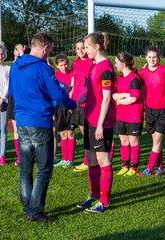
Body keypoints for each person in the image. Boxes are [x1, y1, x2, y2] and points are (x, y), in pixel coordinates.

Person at [9, 32, 76, 222]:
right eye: (50, 50)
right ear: (45, 48)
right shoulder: (43, 68)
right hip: (39, 120)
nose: (50, 54)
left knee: (26, 167)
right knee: (45, 169)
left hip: (22, 121)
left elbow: (13, 92)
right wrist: (72, 104)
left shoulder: (15, 66)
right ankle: (35, 210)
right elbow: (57, 95)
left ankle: (28, 206)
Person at [76, 32, 115, 213]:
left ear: (97, 47)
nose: (85, 51)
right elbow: (89, 92)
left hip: (102, 121)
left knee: (103, 160)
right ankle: (94, 195)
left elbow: (106, 98)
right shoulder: (94, 66)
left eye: (87, 47)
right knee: (91, 160)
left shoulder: (106, 67)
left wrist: (100, 124)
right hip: (90, 119)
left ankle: (105, 202)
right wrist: (75, 102)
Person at [137, 46, 165, 177]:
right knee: (155, 140)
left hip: (164, 110)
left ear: (159, 58)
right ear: (146, 58)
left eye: (154, 57)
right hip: (150, 110)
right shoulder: (143, 73)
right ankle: (160, 168)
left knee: (157, 141)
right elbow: (136, 84)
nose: (152, 59)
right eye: (149, 57)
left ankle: (149, 170)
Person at [113, 52, 143, 177]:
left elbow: (134, 98)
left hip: (133, 115)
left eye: (116, 63)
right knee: (124, 141)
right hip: (121, 115)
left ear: (123, 64)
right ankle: (125, 165)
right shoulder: (119, 79)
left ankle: (134, 166)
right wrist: (125, 95)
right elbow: (113, 95)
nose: (115, 65)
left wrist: (120, 100)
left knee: (133, 141)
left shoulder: (134, 78)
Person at [72, 39, 93, 172]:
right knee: (83, 133)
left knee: (88, 133)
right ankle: (89, 159)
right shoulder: (75, 63)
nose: (80, 50)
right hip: (77, 101)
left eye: (83, 48)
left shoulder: (92, 62)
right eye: (78, 48)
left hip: (87, 101)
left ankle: (88, 161)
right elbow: (75, 82)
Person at [53, 54, 77, 168]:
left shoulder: (73, 74)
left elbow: (76, 90)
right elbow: (53, 95)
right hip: (59, 108)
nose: (64, 67)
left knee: (70, 133)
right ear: (57, 66)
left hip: (70, 107)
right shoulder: (55, 77)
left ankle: (70, 159)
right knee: (62, 133)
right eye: (61, 65)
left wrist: (72, 105)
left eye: (66, 64)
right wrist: (53, 111)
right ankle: (64, 158)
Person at [7, 44, 27, 167]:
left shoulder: (26, 63)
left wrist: (22, 53)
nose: (18, 52)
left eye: (19, 50)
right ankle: (19, 156)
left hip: (24, 98)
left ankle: (27, 155)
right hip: (14, 98)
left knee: (25, 129)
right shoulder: (14, 65)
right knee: (16, 130)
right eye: (16, 49)